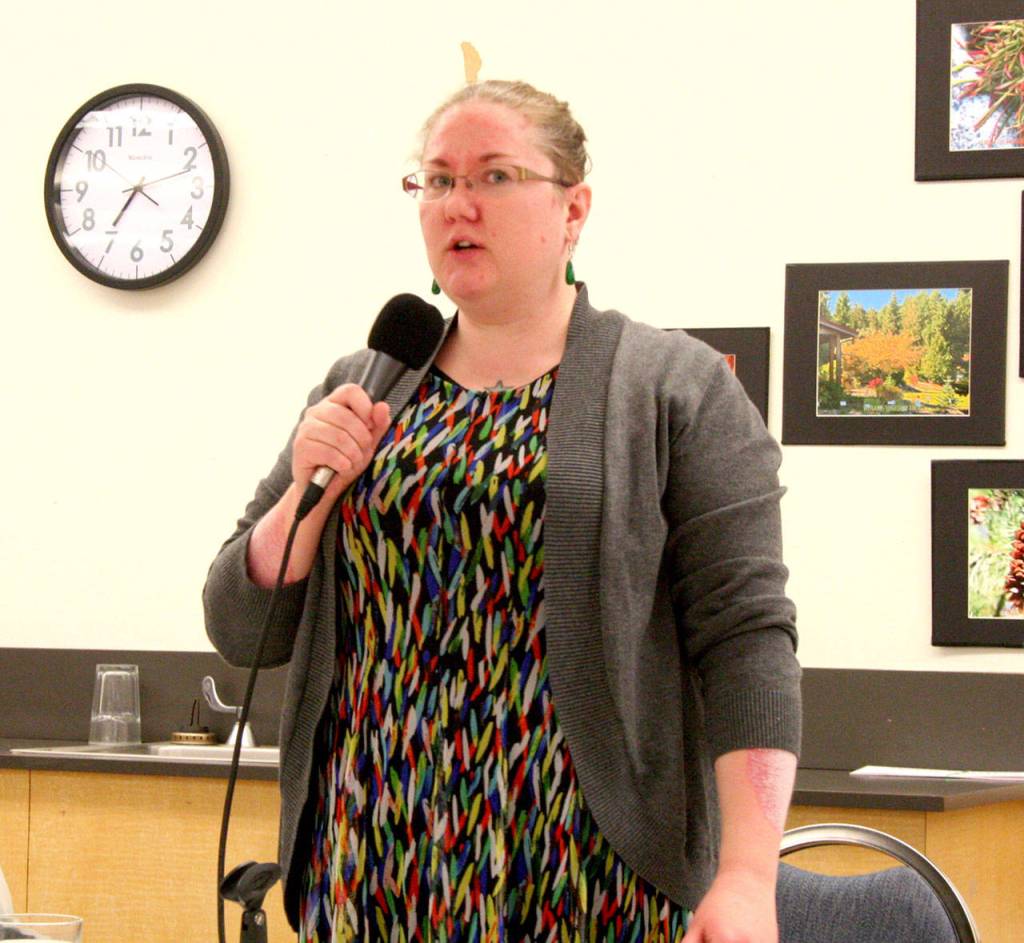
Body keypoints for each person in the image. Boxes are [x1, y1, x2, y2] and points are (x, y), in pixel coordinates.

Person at [204, 79, 801, 943]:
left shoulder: (676, 386)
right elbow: (239, 625)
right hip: (366, 867)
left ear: (573, 208)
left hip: (587, 881)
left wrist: (748, 876)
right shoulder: (362, 381)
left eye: (492, 176)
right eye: (437, 181)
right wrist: (306, 491)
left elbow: (746, 641)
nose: (458, 204)